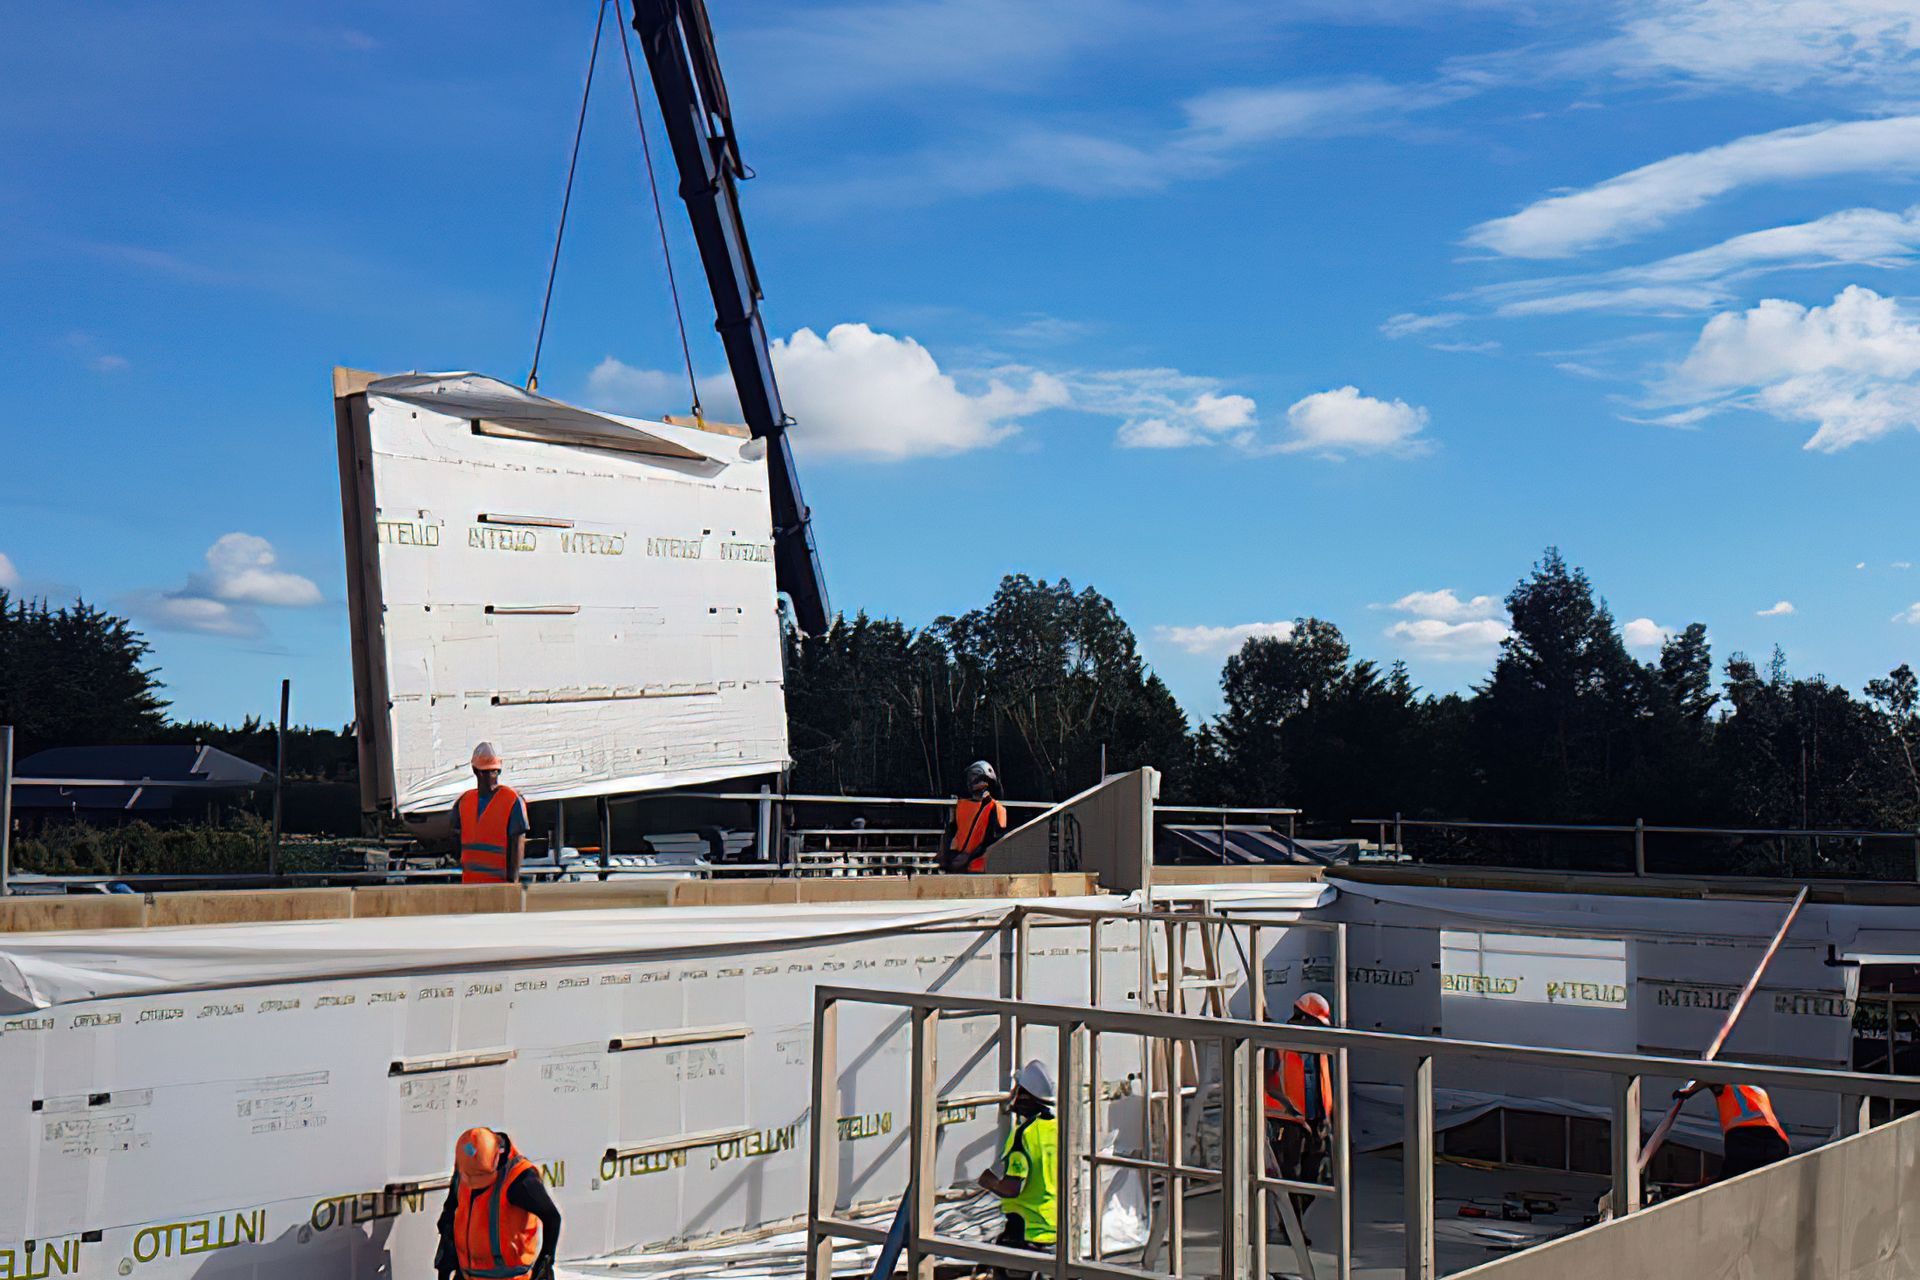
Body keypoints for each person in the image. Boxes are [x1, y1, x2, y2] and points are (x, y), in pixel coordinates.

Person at [436, 1127, 561, 1280]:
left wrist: (546, 1261)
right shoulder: (467, 1165)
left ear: (497, 1159)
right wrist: (446, 1252)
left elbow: (552, 1217)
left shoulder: (520, 1180)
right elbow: (451, 1208)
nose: (471, 1183)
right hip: (467, 1274)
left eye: (479, 1177)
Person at [975, 1060, 1058, 1275]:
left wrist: (987, 1181)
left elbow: (1012, 1188)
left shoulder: (1024, 1134)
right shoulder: (1057, 1129)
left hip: (1025, 1231)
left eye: (1017, 1090)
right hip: (1054, 1230)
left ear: (1025, 1095)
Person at [1264, 992, 1334, 1244]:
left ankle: (1290, 1222)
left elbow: (1323, 1084)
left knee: (1313, 1182)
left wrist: (1326, 1118)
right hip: (1287, 1122)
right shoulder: (1280, 1043)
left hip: (1315, 1122)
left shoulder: (1319, 1046)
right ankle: (1293, 1229)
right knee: (1290, 1178)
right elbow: (1269, 1082)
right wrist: (1290, 1110)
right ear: (1302, 1017)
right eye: (1315, 1022)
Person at [1676, 1081, 1791, 1180]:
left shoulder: (1727, 1085)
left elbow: (1708, 1076)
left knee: (1732, 1182)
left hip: (1743, 1136)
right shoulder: (1757, 1090)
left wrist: (1689, 1090)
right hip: (1777, 1140)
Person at [452, 742, 529, 883]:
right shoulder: (464, 802)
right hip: (470, 884)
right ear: (475, 771)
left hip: (499, 886)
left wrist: (512, 885)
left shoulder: (512, 801)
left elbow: (517, 845)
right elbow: (456, 844)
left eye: (493, 771)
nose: (490, 776)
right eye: (485, 772)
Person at [941, 760, 1008, 873]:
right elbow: (951, 832)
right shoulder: (961, 805)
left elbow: (994, 842)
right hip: (958, 861)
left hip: (979, 864)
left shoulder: (995, 808)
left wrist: (967, 857)